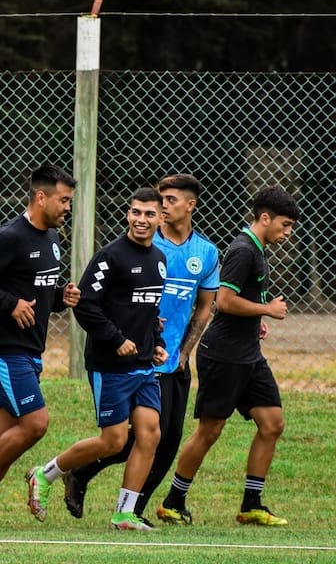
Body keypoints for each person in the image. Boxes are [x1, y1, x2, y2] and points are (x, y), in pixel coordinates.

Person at [63, 174, 219, 525]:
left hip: (172, 358)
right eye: (153, 203)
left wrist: (182, 352)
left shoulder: (205, 252)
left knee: (165, 439)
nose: (160, 208)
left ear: (189, 205)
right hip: (136, 358)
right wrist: (126, 339)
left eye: (169, 201)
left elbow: (205, 306)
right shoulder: (142, 248)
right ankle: (88, 479)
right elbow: (98, 303)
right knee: (130, 438)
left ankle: (129, 509)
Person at [26, 186, 168, 531]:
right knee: (114, 440)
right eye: (136, 212)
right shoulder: (110, 256)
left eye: (150, 214)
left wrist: (157, 342)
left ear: (161, 218)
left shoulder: (159, 260)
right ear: (128, 214)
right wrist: (116, 340)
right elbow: (85, 304)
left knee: (150, 435)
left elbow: (149, 309)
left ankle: (124, 514)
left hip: (144, 366)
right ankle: (45, 475)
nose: (141, 220)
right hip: (110, 365)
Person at [157, 185, 299, 527]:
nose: (288, 232)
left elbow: (240, 303)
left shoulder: (259, 249)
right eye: (285, 224)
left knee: (272, 423)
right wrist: (267, 309)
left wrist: (257, 319)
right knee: (211, 429)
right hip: (223, 355)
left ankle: (252, 503)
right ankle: (173, 500)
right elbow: (224, 300)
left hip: (249, 354)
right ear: (264, 218)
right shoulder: (242, 250)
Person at [0, 163, 80, 531]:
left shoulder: (52, 239)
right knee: (36, 423)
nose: (67, 208)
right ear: (41, 197)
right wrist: (9, 304)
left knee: (7, 437)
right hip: (1, 350)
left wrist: (59, 297)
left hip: (27, 350)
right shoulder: (9, 236)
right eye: (63, 200)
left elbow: (35, 293)